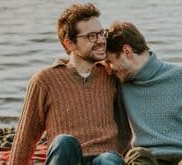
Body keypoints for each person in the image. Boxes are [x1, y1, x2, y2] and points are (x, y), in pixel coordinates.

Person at [10, 4, 129, 165]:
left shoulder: (112, 75)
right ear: (69, 43)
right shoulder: (45, 80)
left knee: (108, 158)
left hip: (104, 160)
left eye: (102, 33)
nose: (101, 40)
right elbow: (25, 137)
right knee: (64, 142)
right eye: (91, 36)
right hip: (66, 159)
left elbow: (130, 121)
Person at [105, 21, 182, 165]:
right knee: (137, 154)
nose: (108, 69)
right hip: (151, 159)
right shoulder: (121, 83)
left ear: (127, 52)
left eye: (109, 61)